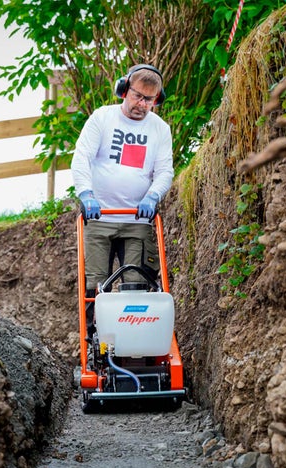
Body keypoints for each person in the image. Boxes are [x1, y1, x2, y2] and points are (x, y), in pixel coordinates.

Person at [72, 63, 174, 334]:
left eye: (149, 100)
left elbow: (164, 171)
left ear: (156, 101)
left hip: (137, 222)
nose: (141, 104)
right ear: (124, 90)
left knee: (137, 285)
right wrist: (86, 193)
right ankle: (96, 345)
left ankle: (136, 341)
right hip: (100, 216)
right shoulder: (102, 118)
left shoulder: (160, 129)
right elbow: (81, 157)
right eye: (138, 96)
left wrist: (152, 196)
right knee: (96, 286)